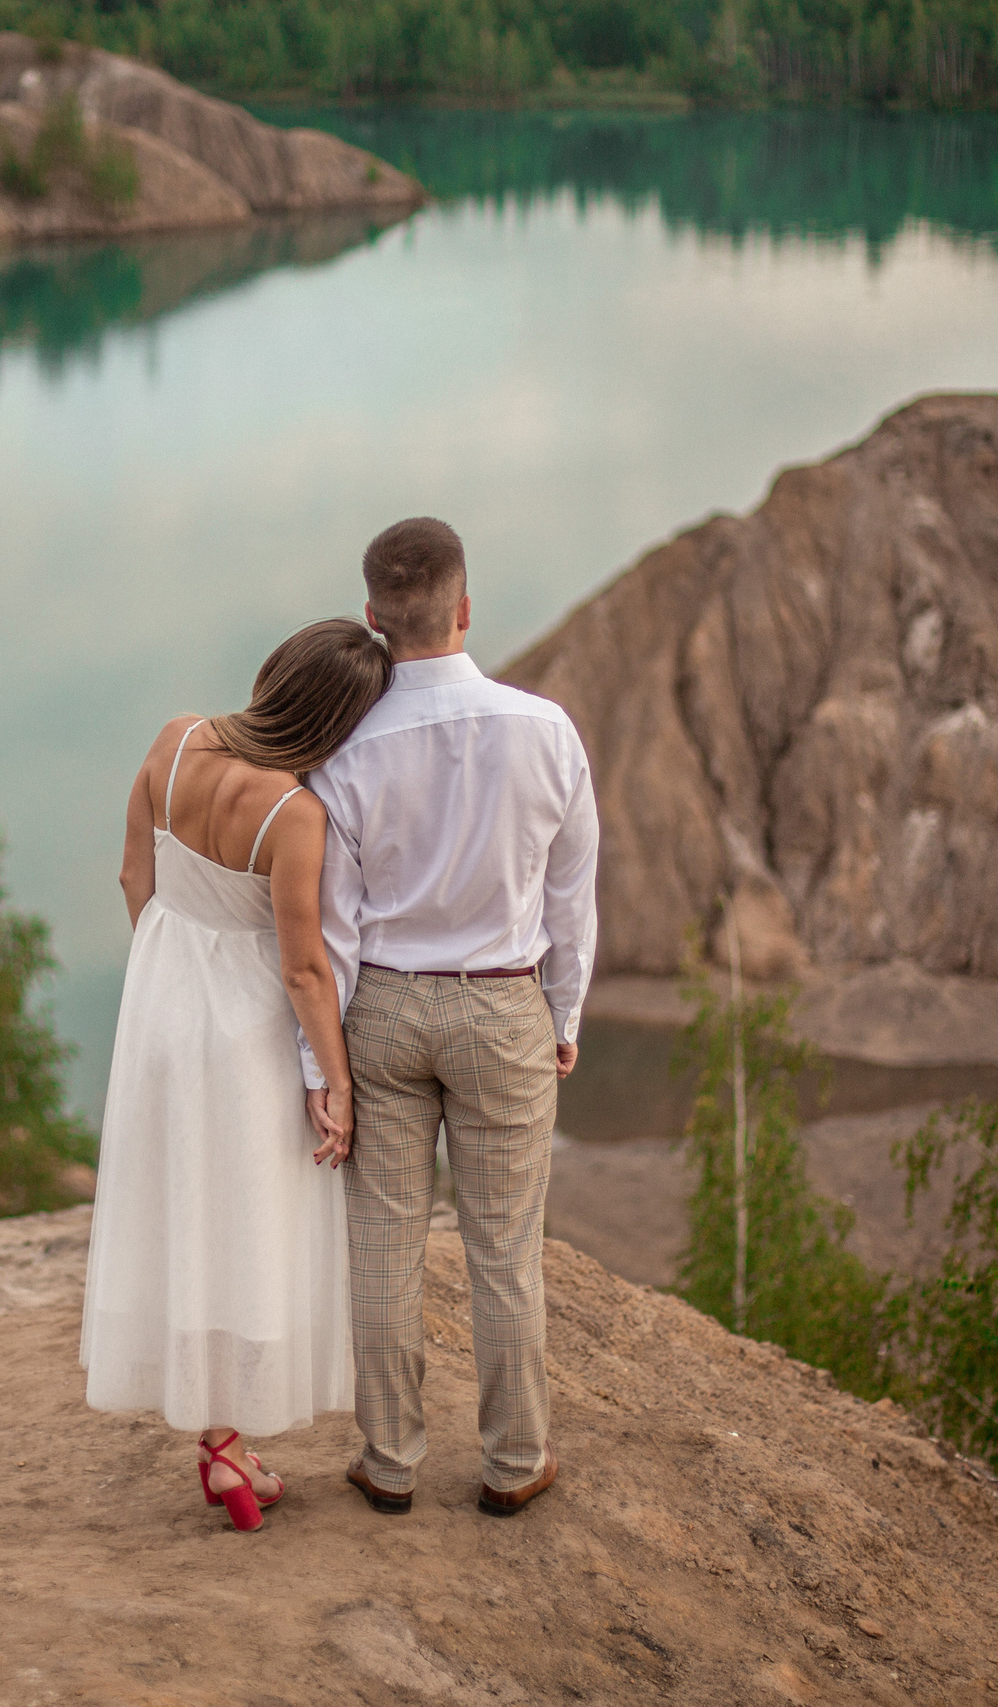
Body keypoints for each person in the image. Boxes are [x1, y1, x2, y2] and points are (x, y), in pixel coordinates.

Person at [303, 517, 599, 1519]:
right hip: (502, 1004)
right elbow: (571, 897)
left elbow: (330, 932)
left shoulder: (342, 755)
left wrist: (322, 1068)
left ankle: (388, 1463)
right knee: (503, 1247)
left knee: (383, 1244)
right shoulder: (546, 730)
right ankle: (514, 1462)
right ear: (464, 609)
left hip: (381, 1009)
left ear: (375, 620)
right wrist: (565, 1011)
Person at [79, 618, 393, 1532]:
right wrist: (335, 1081)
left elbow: (135, 879)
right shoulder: (297, 816)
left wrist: (166, 986)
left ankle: (223, 1444)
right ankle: (228, 1443)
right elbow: (304, 969)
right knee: (252, 1221)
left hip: (165, 1014)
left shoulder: (173, 740)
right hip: (250, 1031)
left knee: (186, 1214)